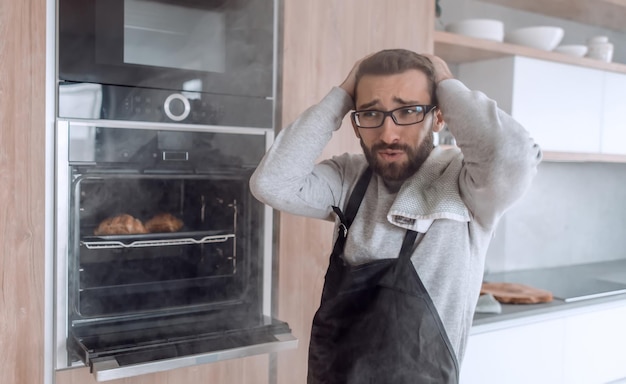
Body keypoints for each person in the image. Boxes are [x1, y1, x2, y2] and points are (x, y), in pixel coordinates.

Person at [250, 49, 541, 383]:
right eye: (371, 114)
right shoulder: (349, 178)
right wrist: (343, 94)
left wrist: (445, 82)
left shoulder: (468, 186)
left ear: (440, 117)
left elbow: (512, 157)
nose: (388, 134)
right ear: (356, 124)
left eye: (409, 111)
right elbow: (271, 184)